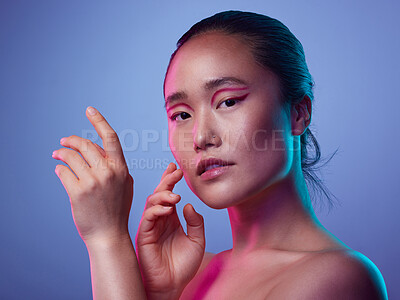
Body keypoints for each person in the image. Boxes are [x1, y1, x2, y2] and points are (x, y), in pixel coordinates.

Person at [52, 10, 388, 300]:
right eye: (181, 114)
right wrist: (162, 294)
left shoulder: (337, 278)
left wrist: (107, 240)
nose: (200, 137)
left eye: (227, 101)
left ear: (298, 113)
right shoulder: (191, 275)